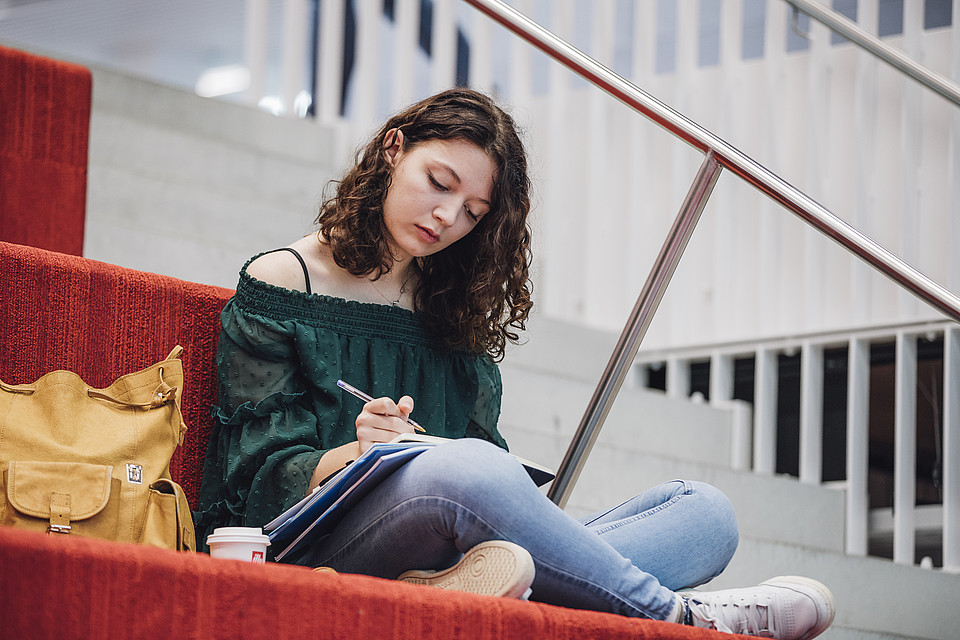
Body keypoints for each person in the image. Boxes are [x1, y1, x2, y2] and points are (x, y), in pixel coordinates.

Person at [196, 88, 835, 639]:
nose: (447, 218)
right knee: (468, 470)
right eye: (439, 184)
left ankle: (463, 588)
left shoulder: (448, 304)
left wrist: (443, 458)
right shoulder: (287, 280)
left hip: (448, 525)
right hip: (315, 543)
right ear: (393, 149)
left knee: (703, 514)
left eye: (474, 213)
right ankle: (680, 620)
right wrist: (351, 458)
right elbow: (249, 477)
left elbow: (482, 461)